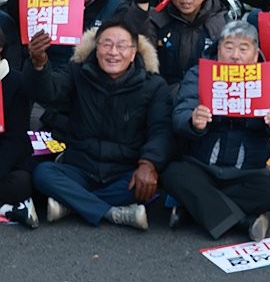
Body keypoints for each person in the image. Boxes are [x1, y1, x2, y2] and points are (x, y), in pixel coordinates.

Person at [24, 19, 173, 229]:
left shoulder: (154, 85)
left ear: (133, 53)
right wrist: (38, 64)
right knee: (43, 174)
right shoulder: (77, 71)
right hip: (80, 166)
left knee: (151, 182)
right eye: (106, 44)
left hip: (124, 171)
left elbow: (161, 130)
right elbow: (49, 91)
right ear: (96, 48)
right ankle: (111, 212)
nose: (113, 52)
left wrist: (149, 163)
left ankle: (71, 205)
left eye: (121, 46)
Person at [162, 20, 270, 240]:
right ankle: (244, 222)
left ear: (255, 55)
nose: (235, 55)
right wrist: (192, 120)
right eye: (229, 47)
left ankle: (192, 209)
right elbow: (179, 116)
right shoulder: (199, 74)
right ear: (218, 50)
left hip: (248, 172)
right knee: (172, 174)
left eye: (243, 49)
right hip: (202, 167)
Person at [0, 25, 36, 227]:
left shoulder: (16, 82)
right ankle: (7, 210)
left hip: (6, 162)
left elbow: (15, 141)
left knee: (21, 183)